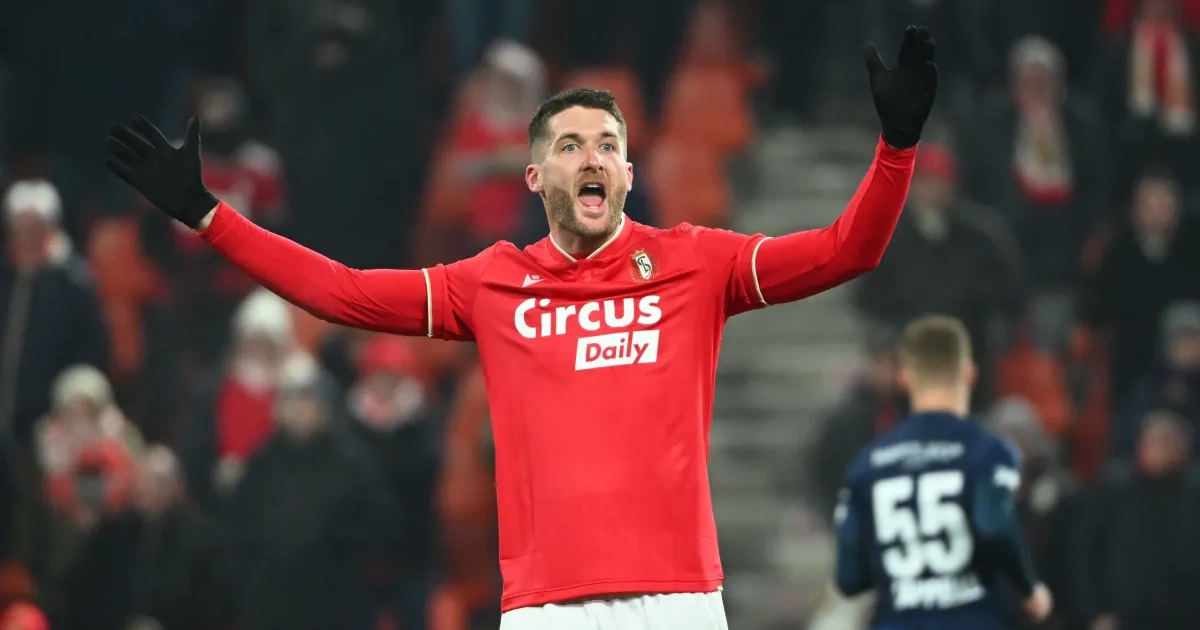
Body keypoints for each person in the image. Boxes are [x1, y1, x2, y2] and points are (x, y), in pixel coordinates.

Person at [103, 26, 938, 629]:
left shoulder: (695, 261)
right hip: (547, 607)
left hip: (678, 600)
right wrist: (209, 217)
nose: (592, 158)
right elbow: (342, 295)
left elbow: (847, 251)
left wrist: (896, 148)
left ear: (628, 170)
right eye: (570, 146)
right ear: (535, 175)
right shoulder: (492, 284)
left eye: (607, 144)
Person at [832, 315, 1054, 629]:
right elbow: (993, 526)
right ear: (969, 374)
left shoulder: (868, 463)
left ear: (905, 378)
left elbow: (849, 578)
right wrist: (1029, 589)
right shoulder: (988, 451)